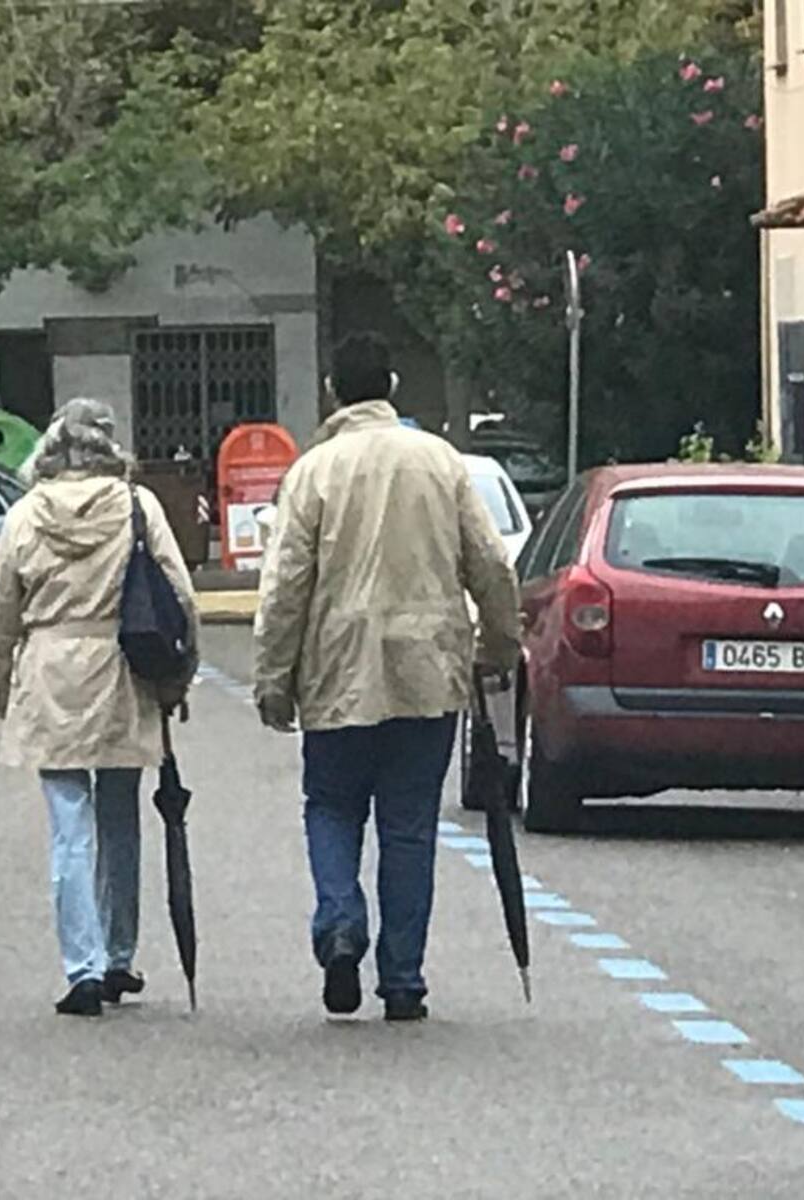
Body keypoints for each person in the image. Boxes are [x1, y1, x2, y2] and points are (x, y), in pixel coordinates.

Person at [254, 332, 521, 1022]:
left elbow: (286, 587)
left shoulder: (314, 472)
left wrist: (274, 678)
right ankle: (402, 980)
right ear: (393, 386)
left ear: (332, 393)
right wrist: (499, 646)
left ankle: (341, 921)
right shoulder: (440, 462)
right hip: (426, 669)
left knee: (332, 806)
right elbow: (490, 565)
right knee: (409, 825)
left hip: (337, 670)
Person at [0, 398, 198, 1018]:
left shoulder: (25, 514)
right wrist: (176, 681)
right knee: (118, 818)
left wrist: (4, 687)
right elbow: (179, 595)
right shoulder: (137, 506)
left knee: (68, 829)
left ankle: (78, 968)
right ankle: (118, 957)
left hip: (50, 671)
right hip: (120, 668)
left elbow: (4, 612)